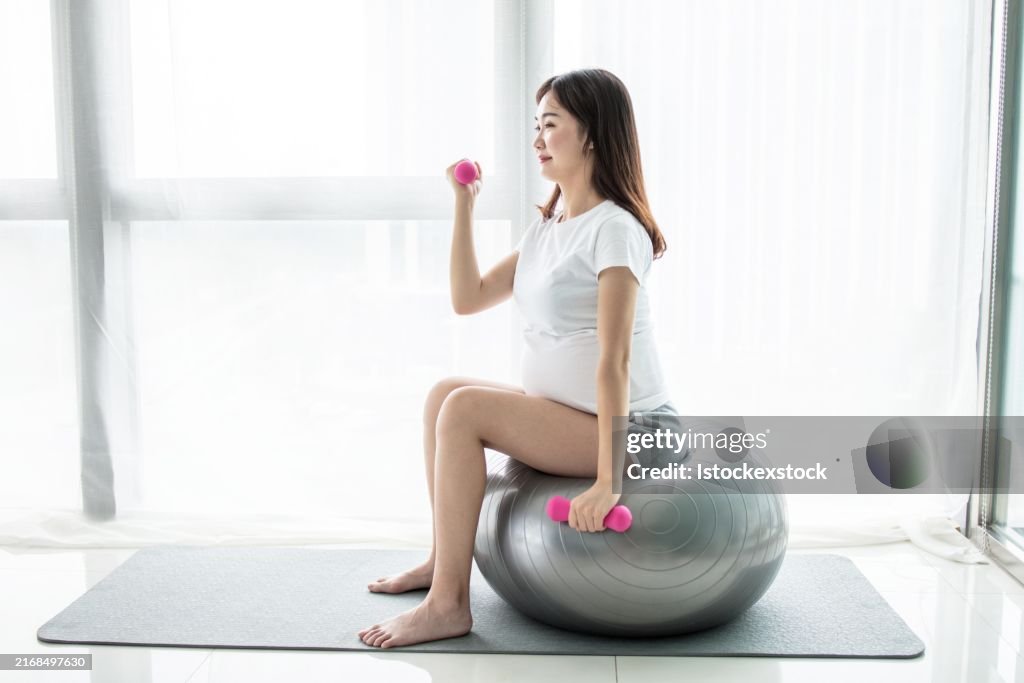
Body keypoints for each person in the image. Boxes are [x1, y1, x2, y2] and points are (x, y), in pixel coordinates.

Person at [358, 68, 674, 648]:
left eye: (550, 124)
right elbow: (468, 297)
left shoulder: (615, 229)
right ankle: (440, 562)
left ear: (592, 134)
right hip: (569, 413)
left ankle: (449, 606)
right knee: (443, 394)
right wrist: (464, 206)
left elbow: (616, 361)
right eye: (536, 125)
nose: (537, 139)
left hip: (634, 429)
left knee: (464, 409)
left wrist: (608, 482)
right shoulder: (549, 228)